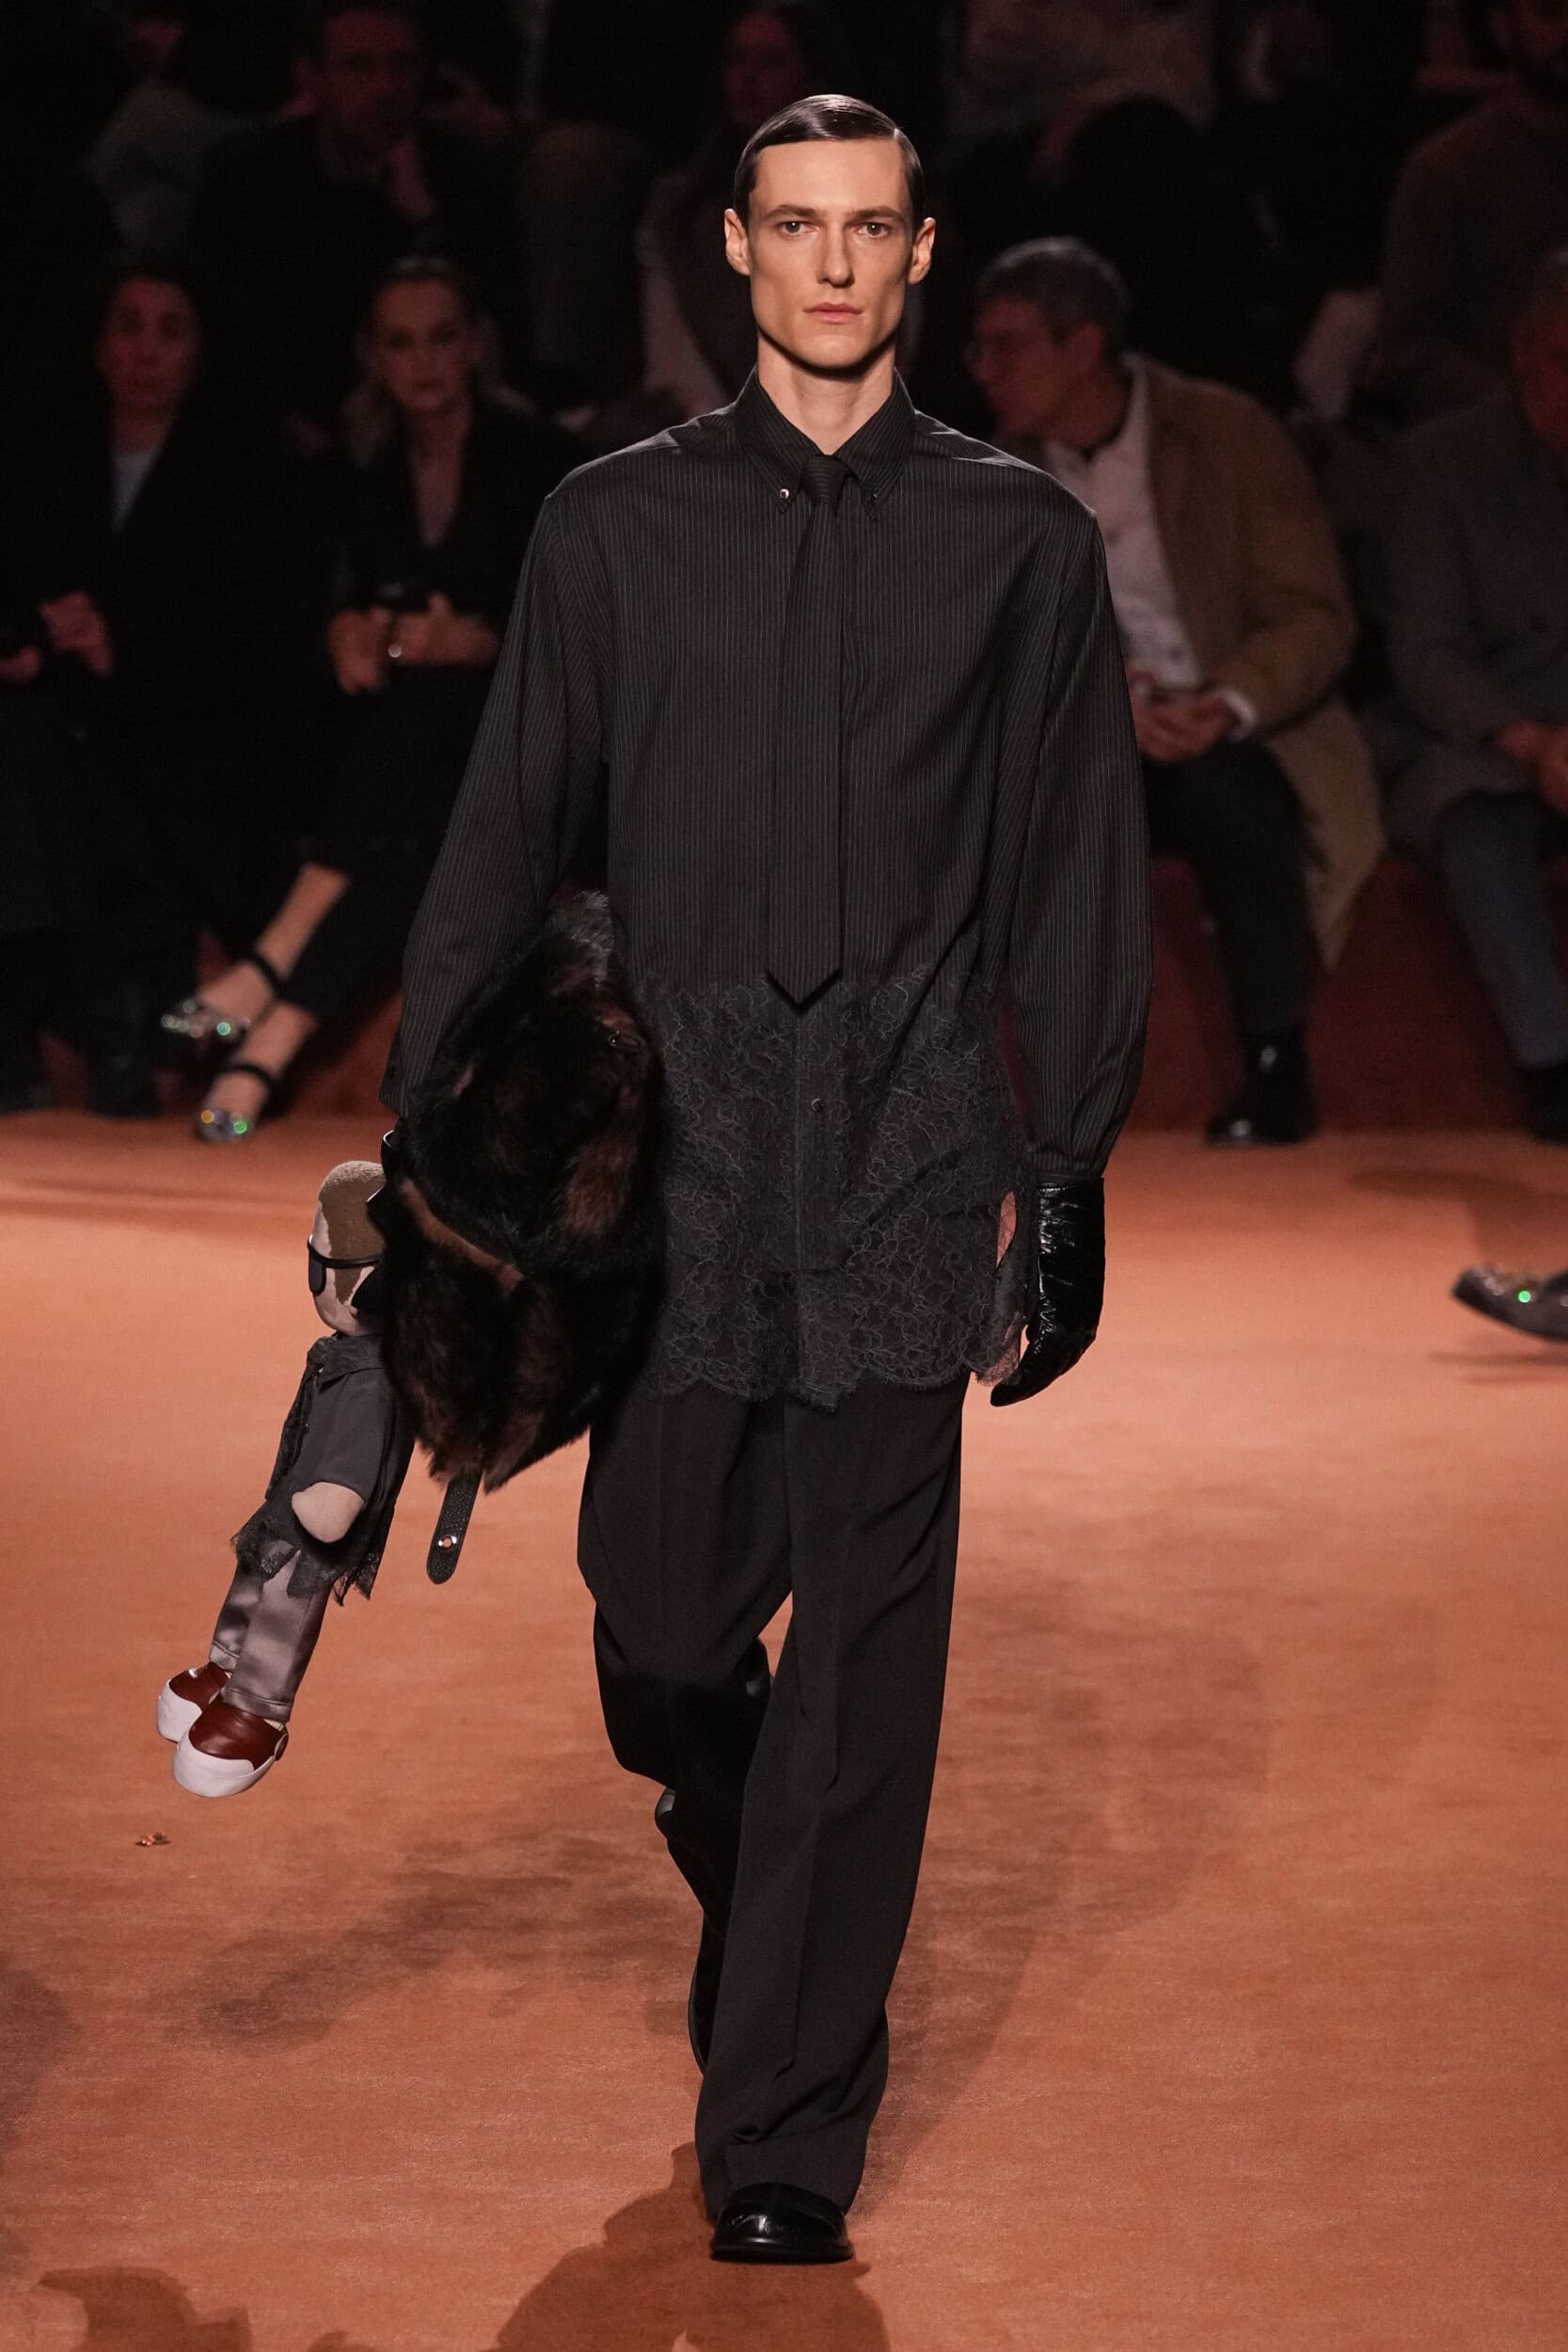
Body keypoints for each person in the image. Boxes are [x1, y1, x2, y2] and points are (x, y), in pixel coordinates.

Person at [388, 95, 1150, 2261]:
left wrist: (1064, 1169)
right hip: (682, 1155)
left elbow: (1072, 856)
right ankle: (741, 1840)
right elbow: (507, 823)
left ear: (919, 252)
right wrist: (426, 1144)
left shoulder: (1016, 542)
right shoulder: (613, 525)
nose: (830, 260)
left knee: (869, 1653)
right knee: (660, 1611)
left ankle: (787, 2126)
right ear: (733, 247)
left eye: (866, 226)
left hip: (908, 1142)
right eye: (793, 224)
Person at [969, 235, 1381, 1144]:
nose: (984, 370)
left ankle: (1275, 1061)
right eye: (980, 347)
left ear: (1083, 347)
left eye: (1007, 346)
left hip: (1242, 723)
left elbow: (1313, 614)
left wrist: (1223, 702)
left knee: (1230, 796)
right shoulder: (996, 474)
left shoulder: (1226, 434)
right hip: (1091, 730)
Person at [165, 259, 574, 1140]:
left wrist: (486, 641)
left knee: (436, 724)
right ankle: (270, 1041)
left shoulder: (537, 460)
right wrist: (348, 630)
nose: (422, 361)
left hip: (534, 733)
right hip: (411, 759)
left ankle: (267, 974)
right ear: (373, 358)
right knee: (420, 822)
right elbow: (333, 607)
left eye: (440, 337)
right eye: (400, 342)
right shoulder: (360, 469)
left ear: (474, 345)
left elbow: (589, 624)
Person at [1, 257, 322, 1114]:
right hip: (58, 720)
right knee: (33, 751)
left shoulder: (248, 470)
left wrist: (125, 649)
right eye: (128, 326)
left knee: (99, 780)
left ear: (200, 349)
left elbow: (263, 644)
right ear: (98, 344)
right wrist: (34, 644)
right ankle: (72, 1030)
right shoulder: (44, 458)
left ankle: (119, 1026)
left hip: (194, 727)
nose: (145, 351)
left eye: (170, 330)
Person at [157, 1159, 414, 1798]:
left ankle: (259, 1708)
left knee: (284, 1606)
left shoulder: (371, 1382)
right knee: (252, 1576)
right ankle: (227, 1668)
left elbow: (350, 1473)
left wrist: (327, 1500)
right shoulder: (345, 1357)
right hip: (289, 1501)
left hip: (315, 1517)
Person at [1385, 250, 1568, 1140]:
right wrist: (1532, 742)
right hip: (1494, 735)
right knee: (1471, 815)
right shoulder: (1441, 464)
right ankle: (1551, 1061)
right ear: (1524, 351)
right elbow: (1425, 651)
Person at [188, 0, 522, 448]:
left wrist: (423, 218)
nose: (385, 88)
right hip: (276, 427)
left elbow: (493, 327)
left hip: (424, 427)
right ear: (311, 78)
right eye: (358, 67)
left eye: (403, 66)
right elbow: (215, 320)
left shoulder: (462, 173)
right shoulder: (249, 174)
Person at [637, 5, 853, 424]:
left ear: (811, 79)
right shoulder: (679, 208)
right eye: (736, 60)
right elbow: (673, 360)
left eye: (771, 62)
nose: (748, 77)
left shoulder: (866, 197)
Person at [1371, 0, 1568, 421]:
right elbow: (1408, 352)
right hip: (1504, 438)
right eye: (1551, 13)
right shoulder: (1449, 171)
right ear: (1503, 27)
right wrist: (1532, 400)